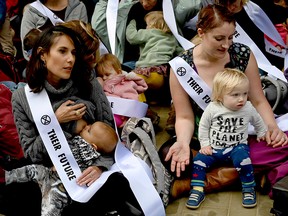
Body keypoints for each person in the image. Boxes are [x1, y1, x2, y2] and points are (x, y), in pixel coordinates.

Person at [8, 25, 144, 216]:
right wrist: (55, 122)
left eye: (73, 52)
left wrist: (99, 166)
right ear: (42, 54)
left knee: (117, 183)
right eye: (62, 51)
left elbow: (108, 135)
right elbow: (32, 154)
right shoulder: (22, 97)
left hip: (90, 167)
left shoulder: (86, 78)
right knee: (17, 193)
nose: (70, 59)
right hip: (51, 171)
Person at [159, 4, 288, 201]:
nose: (227, 45)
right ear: (201, 33)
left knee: (283, 142)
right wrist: (183, 143)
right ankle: (252, 172)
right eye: (219, 38)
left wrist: (271, 127)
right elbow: (184, 116)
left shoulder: (242, 54)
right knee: (171, 155)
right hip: (204, 140)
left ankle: (206, 180)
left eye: (231, 37)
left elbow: (258, 100)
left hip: (243, 135)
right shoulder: (181, 66)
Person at [186, 68, 267, 209]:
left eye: (245, 93)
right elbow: (204, 127)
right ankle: (197, 190)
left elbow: (258, 121)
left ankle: (248, 189)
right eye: (235, 95)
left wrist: (262, 132)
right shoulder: (213, 108)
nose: (241, 98)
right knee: (198, 162)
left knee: (244, 161)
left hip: (237, 146)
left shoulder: (247, 107)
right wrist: (205, 145)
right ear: (220, 95)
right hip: (215, 148)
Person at [5, 120, 118, 216]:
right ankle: (7, 176)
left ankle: (8, 176)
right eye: (90, 125)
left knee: (51, 208)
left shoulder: (85, 149)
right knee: (32, 169)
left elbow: (69, 149)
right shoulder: (81, 141)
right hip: (48, 173)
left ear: (93, 146)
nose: (86, 126)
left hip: (61, 188)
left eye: (89, 130)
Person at [92, 0, 203, 67]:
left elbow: (191, 5)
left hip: (165, 63)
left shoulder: (169, 8)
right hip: (131, 63)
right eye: (141, 0)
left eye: (149, 0)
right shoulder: (127, 7)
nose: (145, 4)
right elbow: (98, 25)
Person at [126, 11, 183, 93]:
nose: (146, 27)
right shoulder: (171, 38)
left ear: (153, 25)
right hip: (161, 76)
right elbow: (180, 51)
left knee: (131, 82)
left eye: (147, 24)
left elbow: (132, 37)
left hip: (146, 71)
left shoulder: (150, 32)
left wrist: (131, 23)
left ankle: (140, 102)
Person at [20, 0, 88, 60]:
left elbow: (85, 43)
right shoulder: (31, 11)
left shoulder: (78, 7)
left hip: (74, 64)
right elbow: (27, 51)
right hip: (42, 67)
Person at [96, 53, 148, 128]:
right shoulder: (102, 84)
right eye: (101, 75)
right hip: (107, 115)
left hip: (123, 119)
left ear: (119, 72)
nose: (104, 78)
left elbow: (133, 103)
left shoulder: (126, 84)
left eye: (107, 74)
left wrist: (127, 120)